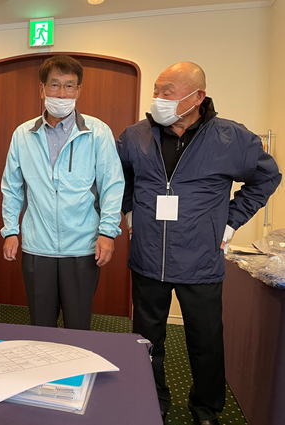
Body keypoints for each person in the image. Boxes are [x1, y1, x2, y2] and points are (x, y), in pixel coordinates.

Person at [116, 62, 281, 425]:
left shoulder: (232, 138)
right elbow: (119, 176)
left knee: (205, 342)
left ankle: (206, 410)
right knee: (147, 340)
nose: (158, 98)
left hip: (200, 258)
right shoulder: (135, 136)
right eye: (156, 90)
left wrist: (231, 220)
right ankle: (152, 399)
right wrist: (128, 209)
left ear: (197, 97)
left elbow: (267, 177)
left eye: (167, 91)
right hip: (148, 257)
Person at [1, 55, 124, 330]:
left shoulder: (97, 132)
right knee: (41, 324)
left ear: (78, 90)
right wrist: (10, 231)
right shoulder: (23, 134)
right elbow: (12, 187)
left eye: (69, 86)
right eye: (55, 85)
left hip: (82, 246)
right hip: (37, 246)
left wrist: (107, 232)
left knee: (78, 326)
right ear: (42, 89)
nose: (61, 93)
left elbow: (112, 185)